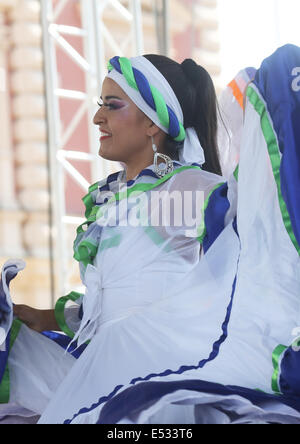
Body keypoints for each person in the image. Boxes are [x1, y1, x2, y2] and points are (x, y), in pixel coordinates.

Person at [1, 45, 300, 424]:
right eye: (100, 104)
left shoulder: (184, 188)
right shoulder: (116, 198)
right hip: (104, 365)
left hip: (152, 367)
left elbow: (251, 242)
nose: (96, 117)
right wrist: (48, 317)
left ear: (153, 124)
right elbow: (122, 297)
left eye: (112, 105)